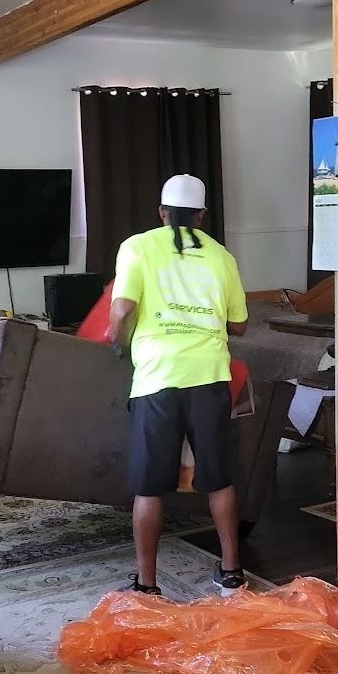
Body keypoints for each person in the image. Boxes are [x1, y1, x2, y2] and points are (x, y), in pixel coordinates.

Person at [107, 174, 249, 597]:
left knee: (150, 486)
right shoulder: (222, 257)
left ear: (162, 213)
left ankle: (147, 584)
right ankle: (231, 573)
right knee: (218, 478)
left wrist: (118, 338)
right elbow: (239, 324)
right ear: (202, 216)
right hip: (209, 376)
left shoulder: (138, 246)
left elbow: (121, 310)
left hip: (157, 377)